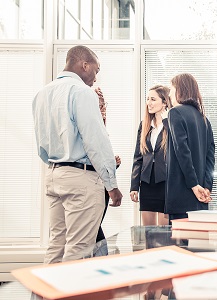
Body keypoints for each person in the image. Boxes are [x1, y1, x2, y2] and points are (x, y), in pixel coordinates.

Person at [32, 45, 123, 264]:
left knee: (57, 245)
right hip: (80, 179)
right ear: (84, 65)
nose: (95, 77)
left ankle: (47, 297)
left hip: (54, 175)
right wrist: (112, 186)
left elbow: (42, 145)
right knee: (79, 250)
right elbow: (95, 142)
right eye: (96, 70)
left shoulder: (42, 94)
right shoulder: (82, 92)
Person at [164, 73, 215, 223]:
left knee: (180, 245)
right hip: (201, 197)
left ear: (180, 90)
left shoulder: (175, 113)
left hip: (182, 194)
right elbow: (210, 158)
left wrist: (193, 185)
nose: (170, 94)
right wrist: (206, 187)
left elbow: (182, 151)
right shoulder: (204, 119)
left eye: (172, 88)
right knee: (197, 243)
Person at [130, 85, 171, 226]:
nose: (149, 103)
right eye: (148, 99)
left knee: (164, 236)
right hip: (147, 183)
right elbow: (138, 157)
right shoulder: (145, 125)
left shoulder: (171, 125)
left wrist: (167, 120)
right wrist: (134, 186)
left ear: (165, 102)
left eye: (153, 99)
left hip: (165, 182)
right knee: (148, 234)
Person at [94, 87, 121, 256]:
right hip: (91, 184)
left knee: (94, 228)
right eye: (99, 106)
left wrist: (113, 164)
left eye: (104, 105)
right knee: (94, 230)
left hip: (101, 184)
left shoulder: (101, 129)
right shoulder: (89, 127)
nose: (103, 110)